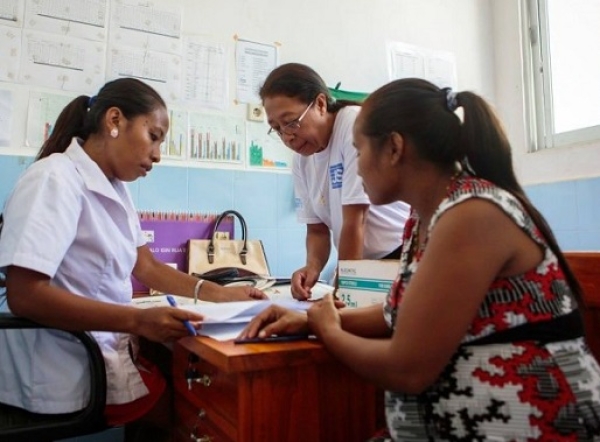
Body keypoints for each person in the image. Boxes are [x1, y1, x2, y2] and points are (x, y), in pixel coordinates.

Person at [240, 78, 600, 440]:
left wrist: (328, 329)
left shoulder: (472, 214)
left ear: (394, 148)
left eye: (359, 150)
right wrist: (311, 320)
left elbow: (408, 370)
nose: (358, 167)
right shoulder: (424, 217)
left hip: (533, 426)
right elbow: (394, 313)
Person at [0, 78, 265, 440]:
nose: (157, 154)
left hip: (100, 347)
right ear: (114, 120)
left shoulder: (114, 186)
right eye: (153, 136)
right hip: (64, 366)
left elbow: (148, 267)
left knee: (184, 383)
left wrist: (222, 295)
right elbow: (25, 295)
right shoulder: (55, 179)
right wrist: (137, 322)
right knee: (192, 404)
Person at [259, 63, 410, 300]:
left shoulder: (352, 126)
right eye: (276, 128)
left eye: (291, 122)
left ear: (320, 104)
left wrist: (344, 290)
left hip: (397, 256)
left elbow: (355, 221)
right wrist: (312, 267)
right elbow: (317, 229)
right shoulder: (302, 160)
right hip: (362, 265)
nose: (287, 136)